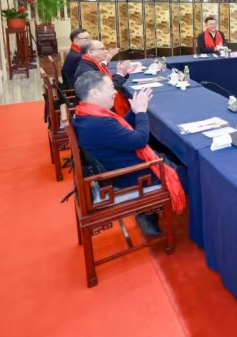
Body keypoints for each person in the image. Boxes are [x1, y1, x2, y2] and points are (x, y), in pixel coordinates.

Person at [72, 71, 186, 235]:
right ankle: (160, 215)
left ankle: (149, 213)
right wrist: (141, 113)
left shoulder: (86, 115)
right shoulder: (97, 122)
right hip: (130, 177)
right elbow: (140, 140)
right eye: (110, 88)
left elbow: (120, 131)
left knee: (169, 153)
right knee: (189, 174)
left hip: (118, 167)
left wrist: (133, 111)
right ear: (95, 93)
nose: (115, 92)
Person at [74, 40, 135, 116]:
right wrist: (120, 74)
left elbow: (107, 82)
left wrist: (124, 73)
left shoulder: (89, 64)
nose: (106, 51)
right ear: (90, 52)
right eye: (102, 49)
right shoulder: (87, 70)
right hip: (100, 112)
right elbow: (108, 89)